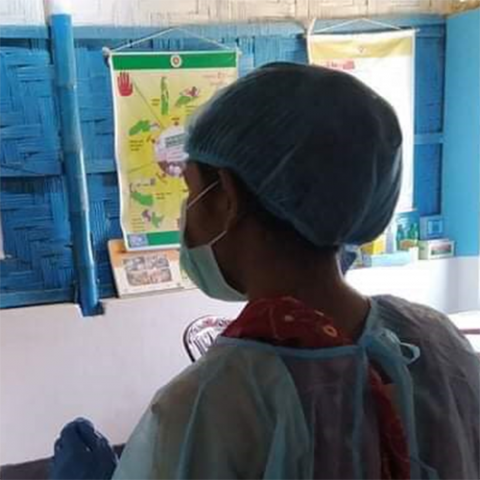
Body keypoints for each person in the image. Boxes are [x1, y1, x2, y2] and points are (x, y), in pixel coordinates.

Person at [51, 63, 479, 479]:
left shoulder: (210, 405)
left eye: (193, 191)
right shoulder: (437, 344)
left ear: (228, 197)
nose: (186, 215)